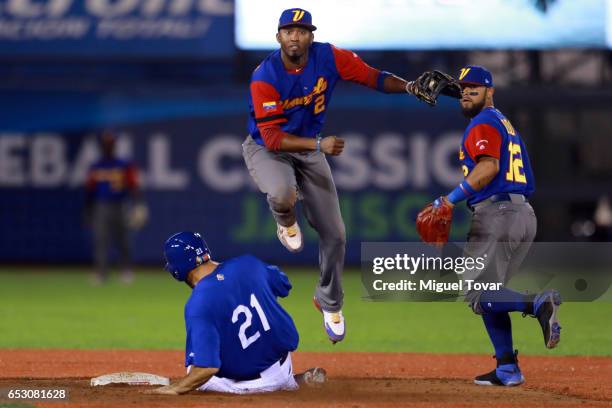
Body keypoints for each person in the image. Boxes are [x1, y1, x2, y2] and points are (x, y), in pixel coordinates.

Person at [244, 8, 421, 343]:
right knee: (283, 194)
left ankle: (329, 301)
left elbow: (373, 77)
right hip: (269, 148)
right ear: (278, 36)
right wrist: (318, 143)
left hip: (310, 150)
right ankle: (285, 219)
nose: (295, 36)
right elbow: (271, 137)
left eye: (302, 30)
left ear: (311, 35)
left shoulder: (329, 57)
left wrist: (410, 86)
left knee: (336, 234)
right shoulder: (264, 75)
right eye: (288, 30)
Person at [422, 65, 562, 386]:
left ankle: (536, 303)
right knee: (489, 295)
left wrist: (449, 199)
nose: (468, 92)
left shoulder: (482, 123)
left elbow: (488, 167)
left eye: (475, 87)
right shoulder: (502, 122)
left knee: (476, 293)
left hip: (497, 214)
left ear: (490, 92)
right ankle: (507, 368)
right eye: (464, 88)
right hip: (522, 215)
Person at [148, 231, 326, 395]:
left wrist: (175, 389)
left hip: (245, 387)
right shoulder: (248, 264)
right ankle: (292, 382)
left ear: (177, 270)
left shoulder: (198, 304)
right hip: (282, 365)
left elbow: (206, 368)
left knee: (195, 370)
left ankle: (283, 384)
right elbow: (283, 284)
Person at [84, 131, 147, 284]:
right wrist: (88, 210)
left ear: (114, 146)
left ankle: (126, 270)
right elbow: (90, 190)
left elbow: (133, 185)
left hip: (120, 204)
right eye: (105, 144)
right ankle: (101, 272)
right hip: (101, 206)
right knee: (101, 240)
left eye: (110, 144)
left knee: (123, 240)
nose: (107, 147)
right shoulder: (96, 165)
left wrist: (139, 205)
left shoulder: (124, 164)